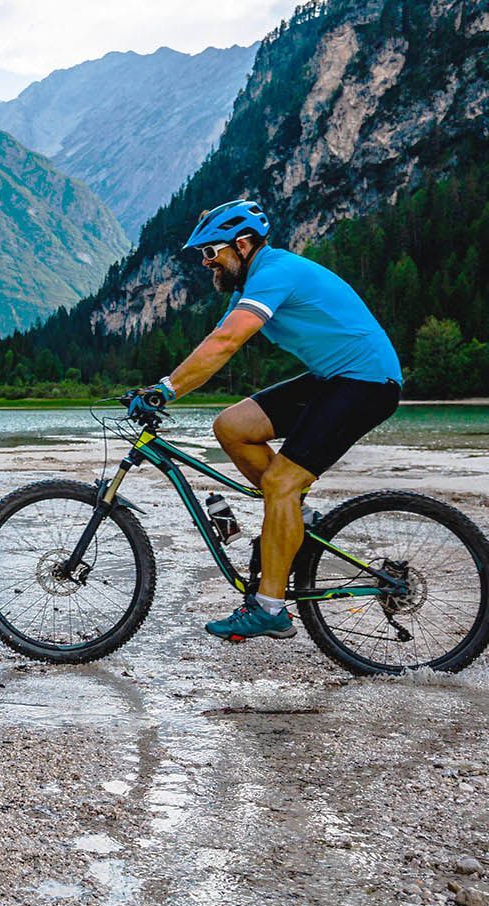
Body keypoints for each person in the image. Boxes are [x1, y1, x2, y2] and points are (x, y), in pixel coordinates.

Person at [129, 200, 402, 642]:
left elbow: (227, 341)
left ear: (242, 245)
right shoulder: (251, 285)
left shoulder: (275, 272)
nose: (206, 262)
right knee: (232, 427)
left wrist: (166, 390)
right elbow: (213, 344)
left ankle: (270, 609)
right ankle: (297, 518)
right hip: (334, 378)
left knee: (280, 483)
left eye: (211, 252)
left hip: (367, 382)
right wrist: (162, 387)